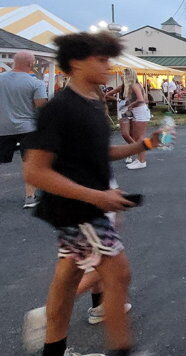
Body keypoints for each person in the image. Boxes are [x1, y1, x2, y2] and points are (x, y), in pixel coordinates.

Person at [22, 32, 165, 356]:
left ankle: (52, 347)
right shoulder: (59, 108)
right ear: (75, 63)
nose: (108, 66)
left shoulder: (94, 101)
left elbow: (99, 153)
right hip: (79, 210)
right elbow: (35, 171)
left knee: (69, 278)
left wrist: (144, 144)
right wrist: (96, 197)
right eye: (100, 59)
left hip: (85, 207)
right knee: (118, 274)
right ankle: (122, 350)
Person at [0, 50, 48, 208]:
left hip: (2, 127)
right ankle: (29, 197)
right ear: (31, 64)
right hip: (28, 128)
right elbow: (41, 107)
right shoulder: (36, 83)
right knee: (29, 162)